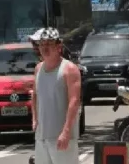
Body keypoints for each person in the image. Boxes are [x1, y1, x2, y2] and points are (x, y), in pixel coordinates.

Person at [30, 28, 81, 164]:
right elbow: (35, 95)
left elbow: (74, 101)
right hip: (42, 136)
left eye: (49, 45)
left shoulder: (69, 69)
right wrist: (35, 119)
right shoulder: (38, 68)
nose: (44, 49)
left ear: (59, 47)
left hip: (62, 137)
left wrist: (66, 131)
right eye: (41, 45)